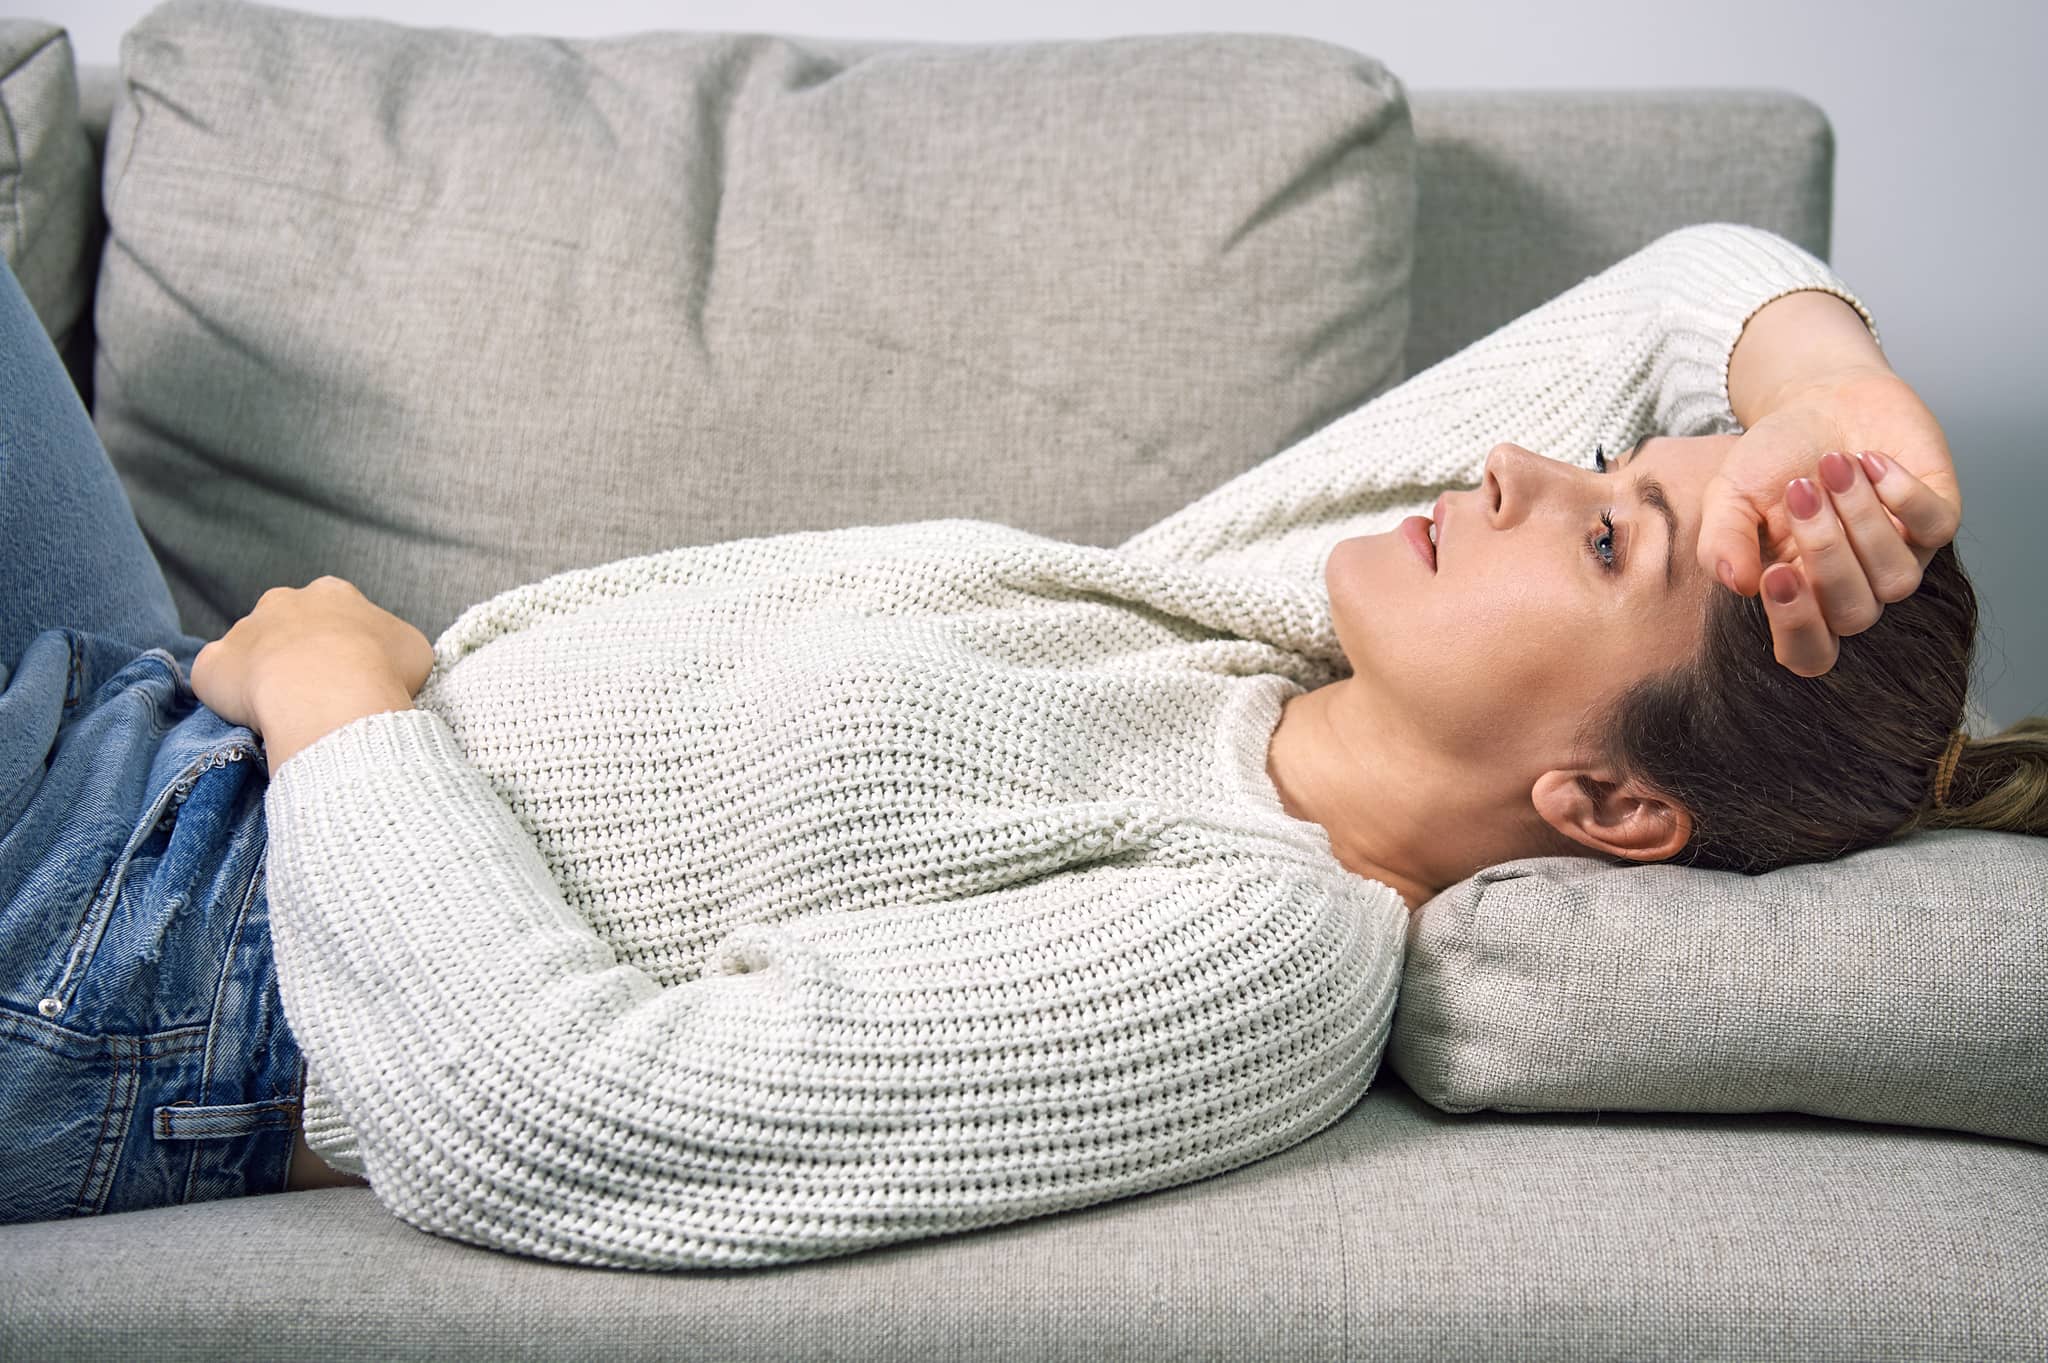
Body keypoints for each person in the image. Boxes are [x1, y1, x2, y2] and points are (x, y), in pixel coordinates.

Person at [3, 224, 2041, 1265]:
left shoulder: (1259, 949)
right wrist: (1830, 416)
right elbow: (1700, 286)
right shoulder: (1257, 633)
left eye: (1609, 532)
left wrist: (341, 697)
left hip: (149, 951)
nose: (1509, 462)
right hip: (170, 729)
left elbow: (550, 1116)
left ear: (1601, 800)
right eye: (1604, 468)